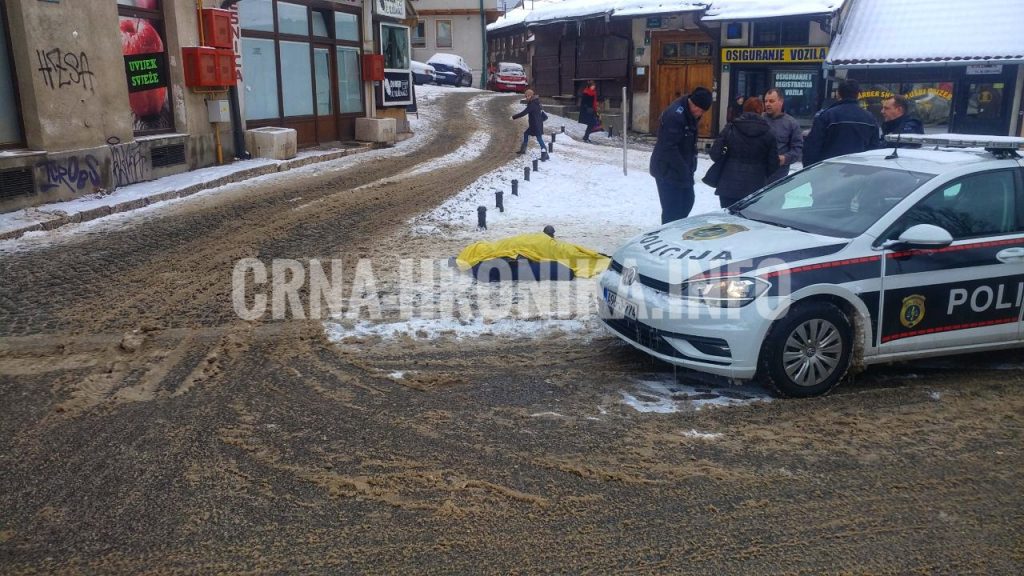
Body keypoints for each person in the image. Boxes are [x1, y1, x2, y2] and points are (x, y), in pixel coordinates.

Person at [649, 86, 712, 224]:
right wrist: (684, 170)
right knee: (673, 211)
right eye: (701, 110)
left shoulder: (690, 113)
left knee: (687, 202)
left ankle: (675, 232)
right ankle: (666, 237)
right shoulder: (675, 116)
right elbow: (669, 147)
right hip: (667, 169)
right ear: (694, 104)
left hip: (682, 169)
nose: (701, 114)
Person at [709, 96, 779, 209]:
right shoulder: (769, 133)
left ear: (744, 109)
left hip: (729, 184)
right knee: (750, 223)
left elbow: (714, 153)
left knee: (729, 222)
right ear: (761, 111)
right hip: (756, 185)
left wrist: (726, 158)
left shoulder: (731, 127)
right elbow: (773, 164)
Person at [802, 79, 880, 165]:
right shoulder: (870, 118)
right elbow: (874, 150)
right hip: (859, 170)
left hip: (829, 168)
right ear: (858, 95)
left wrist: (808, 170)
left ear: (838, 94)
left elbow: (813, 146)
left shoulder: (827, 116)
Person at [763, 87, 803, 183]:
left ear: (781, 102)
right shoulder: (758, 121)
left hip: (778, 178)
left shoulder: (791, 124)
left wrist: (784, 159)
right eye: (766, 101)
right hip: (757, 175)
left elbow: (797, 149)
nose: (767, 104)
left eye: (771, 101)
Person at [512, 89, 547, 155]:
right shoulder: (535, 102)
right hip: (535, 124)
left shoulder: (533, 104)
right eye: (526, 96)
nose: (526, 97)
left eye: (528, 96)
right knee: (526, 134)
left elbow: (523, 113)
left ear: (531, 95)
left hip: (536, 124)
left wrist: (513, 117)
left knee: (539, 138)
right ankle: (523, 150)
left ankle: (545, 154)